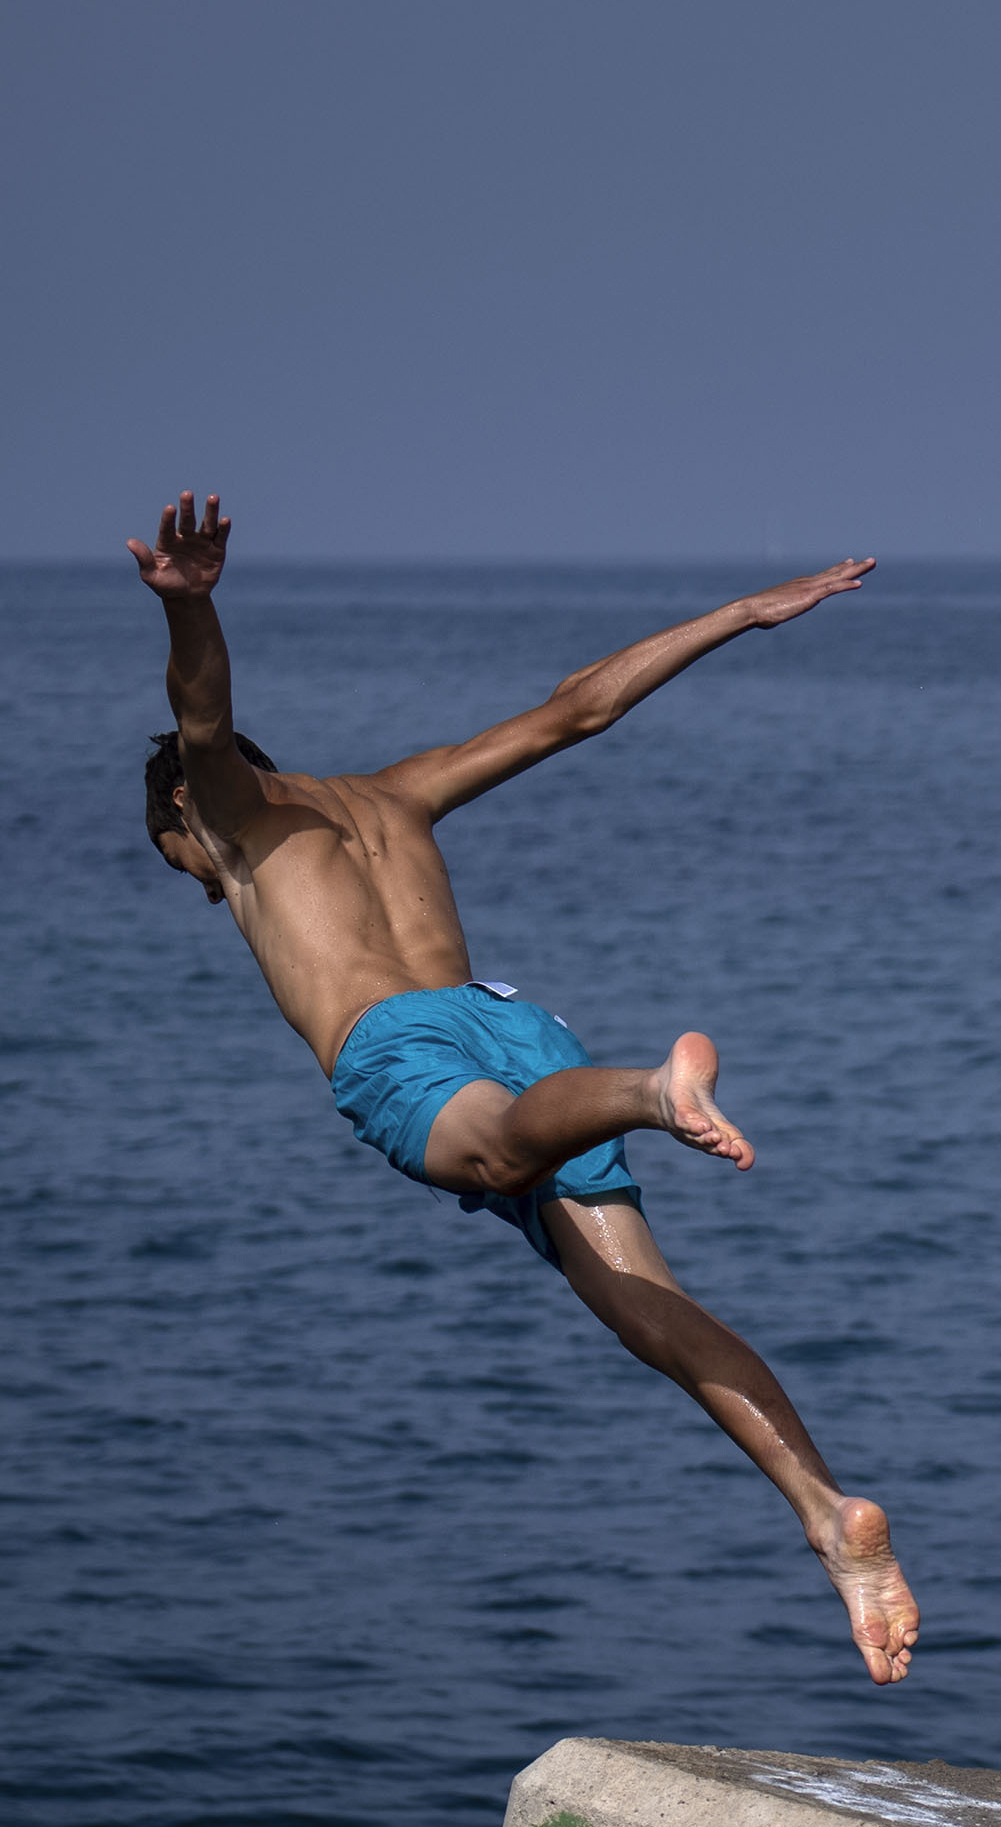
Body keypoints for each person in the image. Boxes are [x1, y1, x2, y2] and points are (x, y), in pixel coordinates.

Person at [127, 496, 918, 1683]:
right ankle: (826, 1515)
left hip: (408, 1050)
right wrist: (744, 613)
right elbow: (579, 710)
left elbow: (202, 718)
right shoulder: (400, 794)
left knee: (496, 1153)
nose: (198, 883)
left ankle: (652, 1092)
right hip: (518, 1028)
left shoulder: (227, 809)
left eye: (179, 862)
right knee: (644, 1305)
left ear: (188, 812)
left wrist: (194, 608)